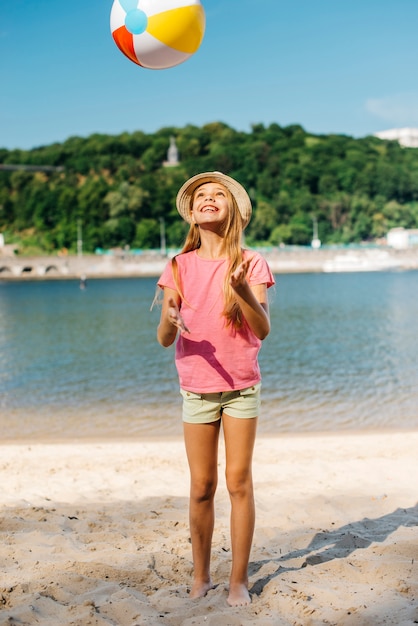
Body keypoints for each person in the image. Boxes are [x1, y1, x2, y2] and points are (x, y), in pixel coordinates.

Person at [156, 171, 275, 606]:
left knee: (239, 482)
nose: (208, 199)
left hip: (242, 387)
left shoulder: (252, 262)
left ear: (231, 210)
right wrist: (169, 321)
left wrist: (242, 288)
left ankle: (238, 580)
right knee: (201, 486)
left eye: (217, 194)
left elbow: (262, 329)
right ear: (191, 211)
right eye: (201, 195)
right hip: (197, 388)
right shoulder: (177, 267)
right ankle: (201, 575)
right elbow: (165, 338)